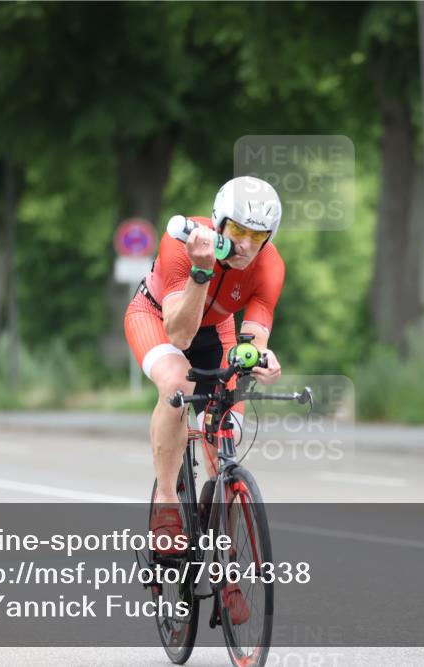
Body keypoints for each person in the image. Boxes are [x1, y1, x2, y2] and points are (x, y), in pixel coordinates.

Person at [124, 176, 285, 625]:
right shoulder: (184, 241)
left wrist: (262, 360)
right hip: (158, 317)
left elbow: (251, 342)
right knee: (178, 385)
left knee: (225, 433)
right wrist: (201, 269)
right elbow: (178, 334)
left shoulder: (270, 266)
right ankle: (167, 501)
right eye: (239, 230)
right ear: (220, 222)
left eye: (258, 236)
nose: (246, 244)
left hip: (217, 331)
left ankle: (226, 568)